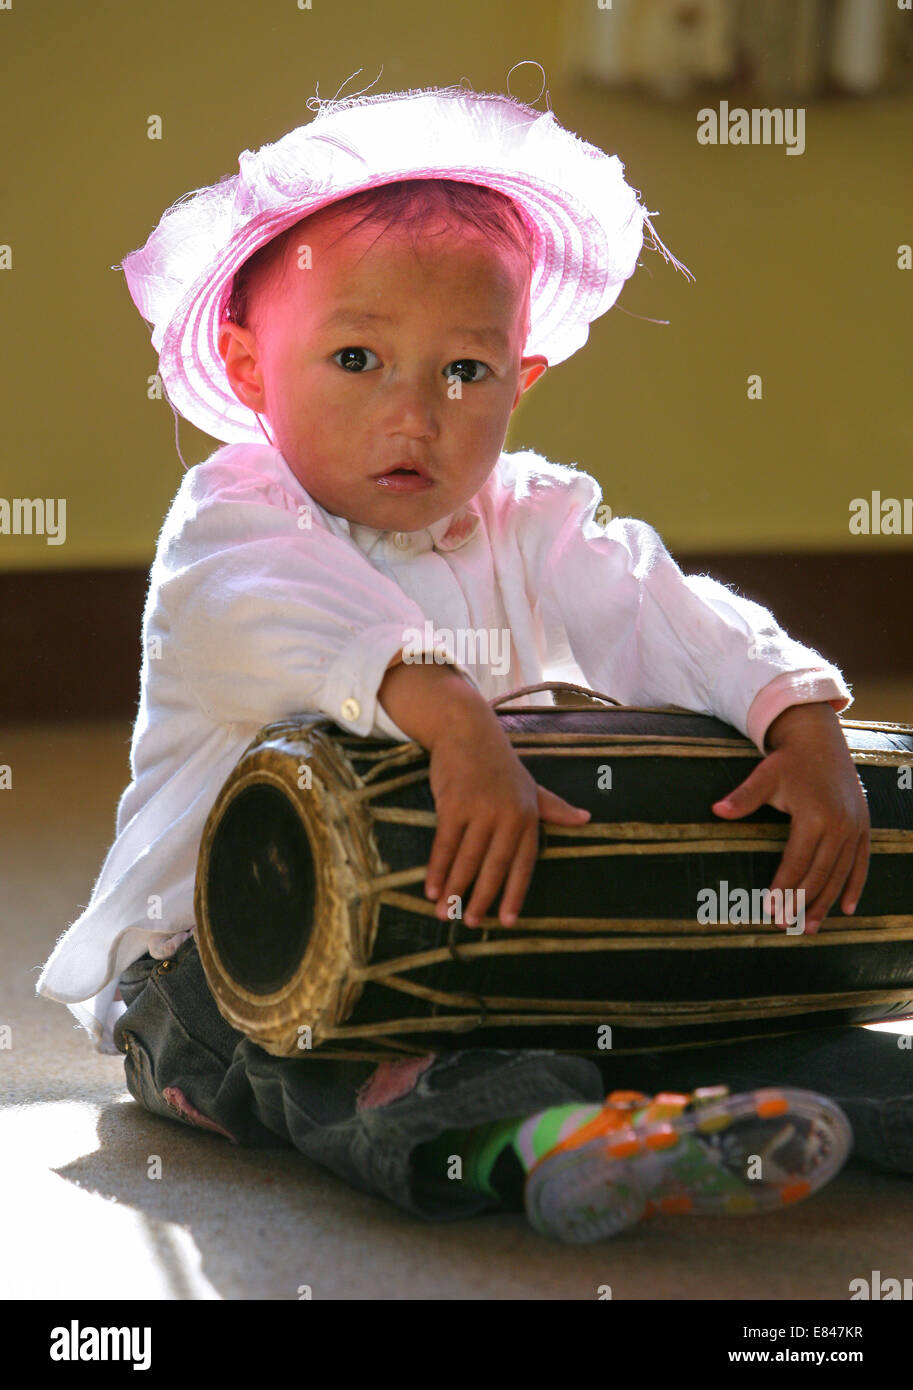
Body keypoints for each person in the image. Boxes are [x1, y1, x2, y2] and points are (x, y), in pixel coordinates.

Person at [37, 78, 893, 1245]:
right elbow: (297, 612)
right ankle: (539, 1143)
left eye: (464, 372)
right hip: (225, 966)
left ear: (521, 378)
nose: (414, 415)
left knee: (697, 996)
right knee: (345, 1065)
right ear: (249, 367)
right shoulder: (231, 523)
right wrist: (452, 718)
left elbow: (655, 603)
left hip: (488, 931)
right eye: (355, 357)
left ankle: (792, 1100)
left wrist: (794, 715)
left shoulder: (529, 514)